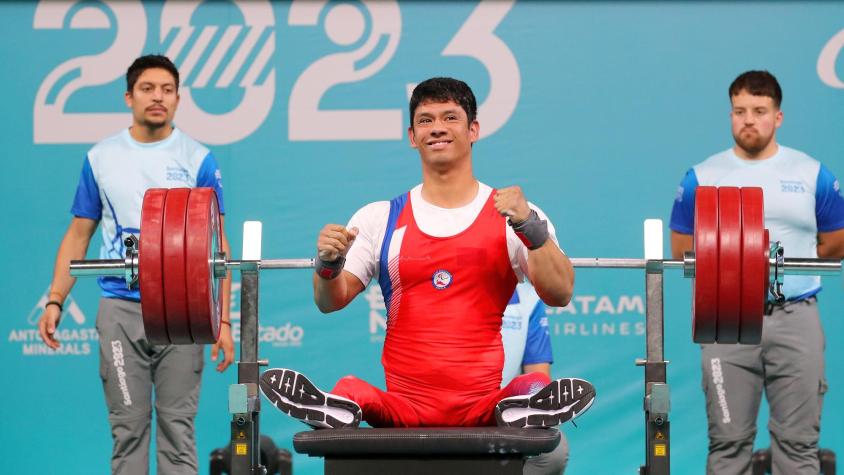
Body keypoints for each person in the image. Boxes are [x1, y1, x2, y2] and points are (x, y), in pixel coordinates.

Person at [261, 77, 595, 430]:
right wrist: (328, 265)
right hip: (402, 409)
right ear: (412, 136)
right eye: (426, 120)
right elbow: (330, 301)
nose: (437, 128)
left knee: (531, 386)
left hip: (482, 406)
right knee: (352, 389)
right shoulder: (378, 218)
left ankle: (527, 405)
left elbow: (560, 293)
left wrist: (529, 226)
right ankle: (338, 408)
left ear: (473, 130)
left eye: (450, 118)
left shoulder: (516, 215)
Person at [36, 54, 235, 475]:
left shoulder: (199, 159)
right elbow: (78, 234)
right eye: (147, 88)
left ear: (178, 99)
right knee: (127, 434)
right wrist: (55, 299)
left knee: (178, 433)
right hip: (120, 311)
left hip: (183, 313)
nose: (157, 97)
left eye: (167, 89)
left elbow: (218, 247)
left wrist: (224, 321)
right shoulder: (101, 158)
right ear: (129, 96)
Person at [669, 70, 844, 475]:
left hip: (796, 316)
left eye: (760, 111)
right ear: (730, 114)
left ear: (777, 117)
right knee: (727, 445)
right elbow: (682, 250)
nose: (749, 119)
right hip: (727, 321)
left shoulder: (813, 174)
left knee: (799, 448)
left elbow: (835, 243)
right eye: (740, 111)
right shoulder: (701, 177)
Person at [502, 282, 568, 474]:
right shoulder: (440, 285)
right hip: (437, 403)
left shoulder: (529, 299)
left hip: (499, 409)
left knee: (553, 452)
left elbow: (538, 383)